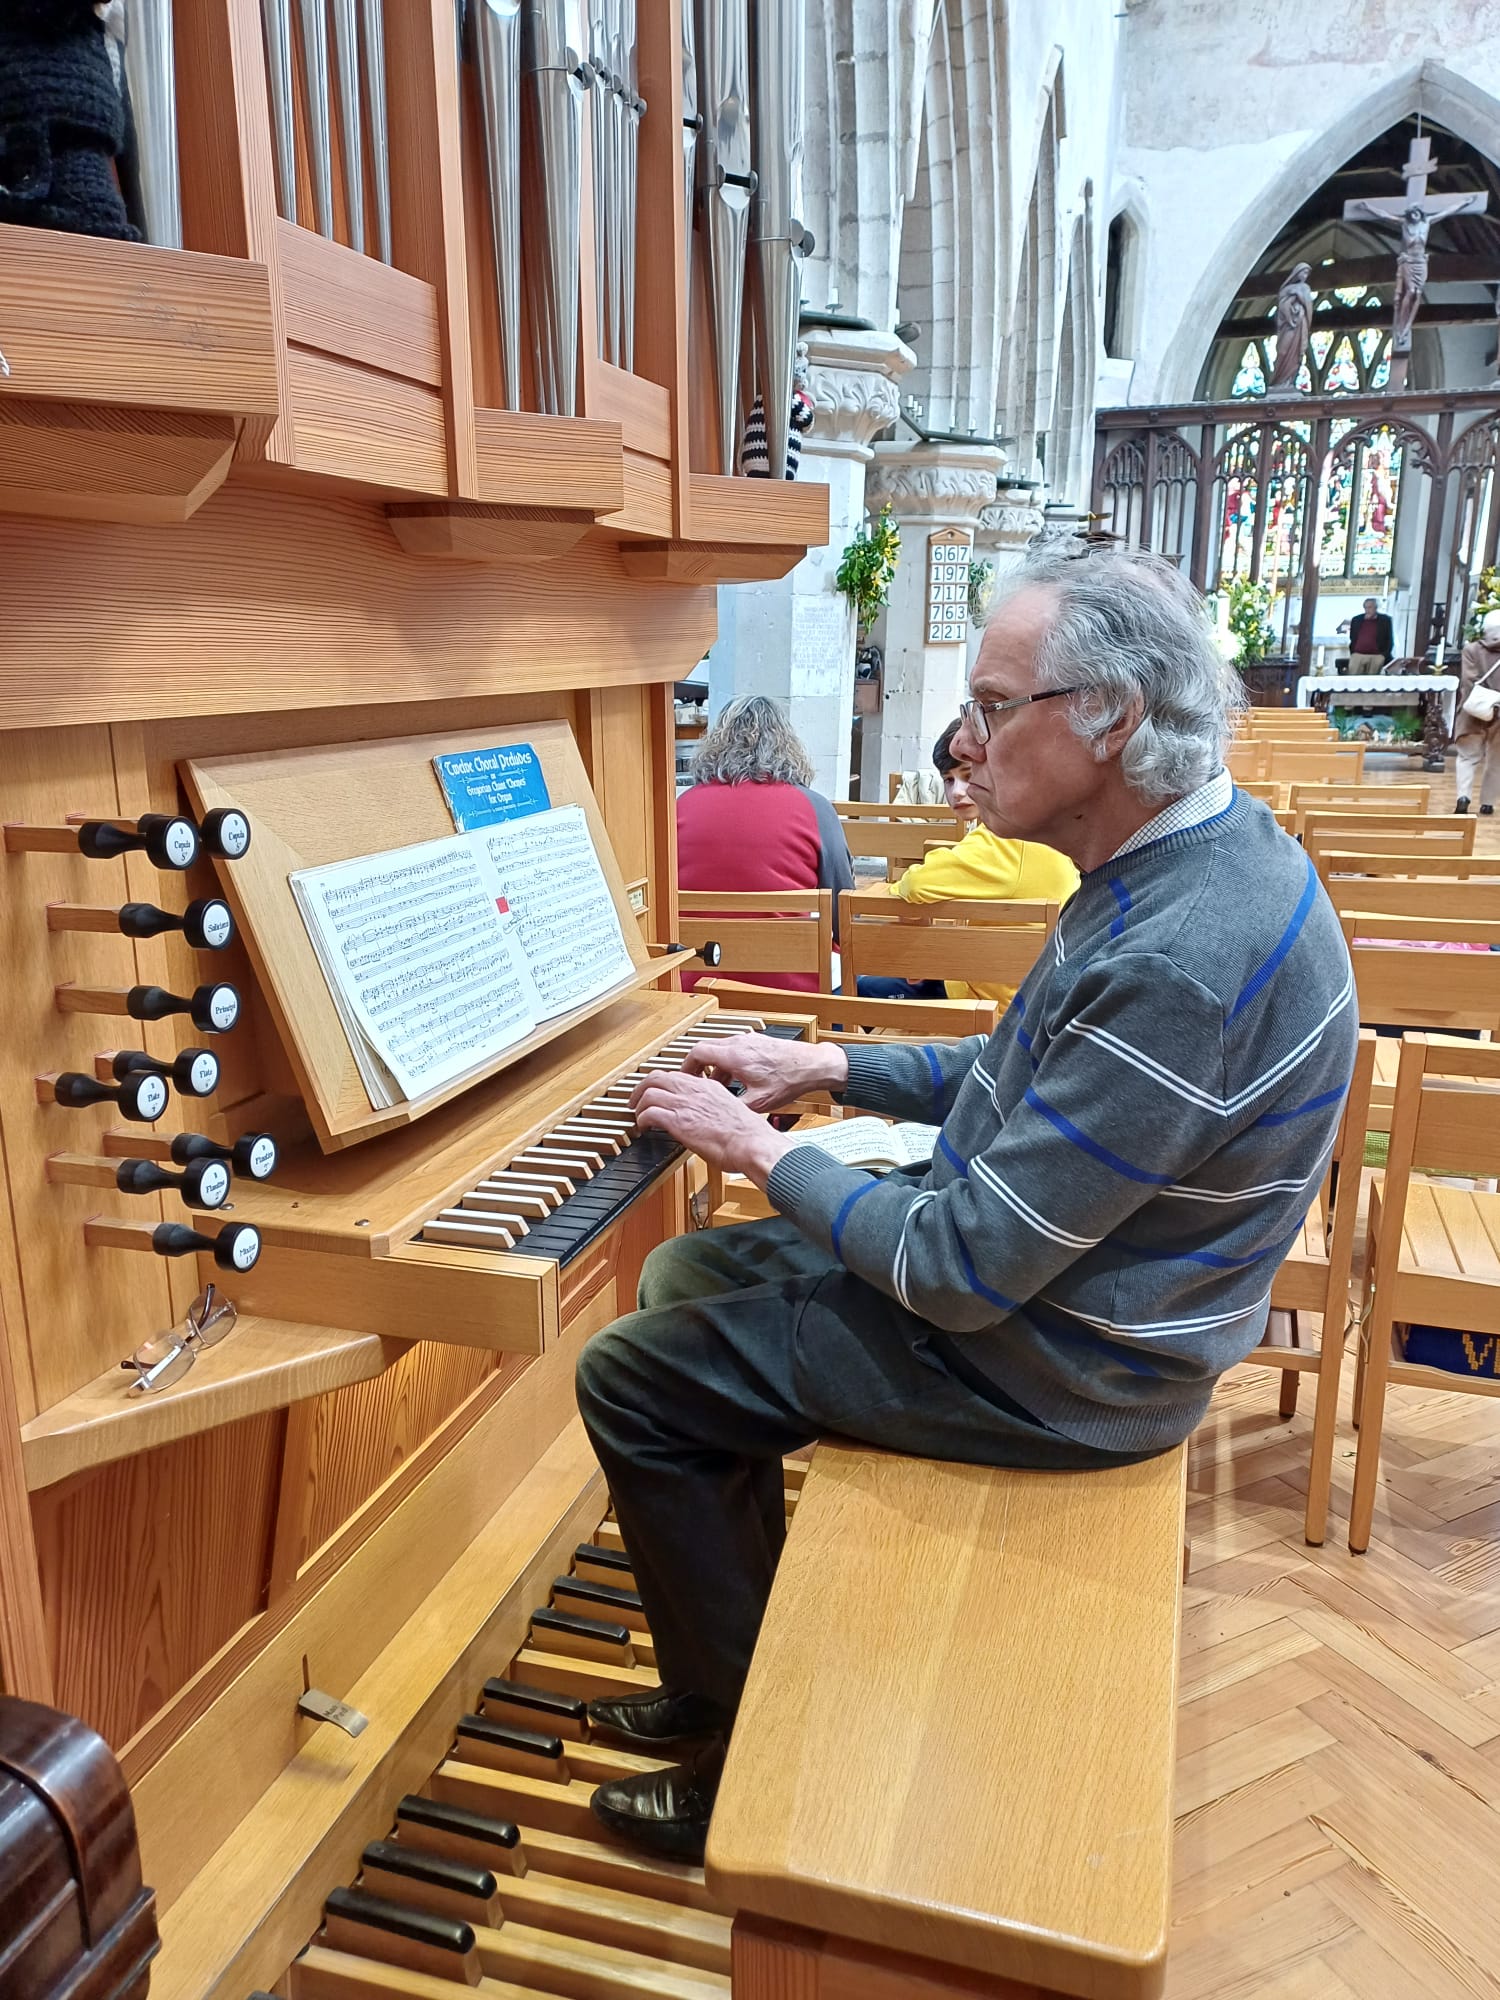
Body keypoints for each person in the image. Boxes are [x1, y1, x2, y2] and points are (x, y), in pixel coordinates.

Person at [576, 547, 1356, 1862]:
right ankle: (736, 1673)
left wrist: (761, 1153)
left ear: (1109, 720)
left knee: (632, 1379)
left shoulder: (1181, 948)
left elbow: (957, 1271)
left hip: (1072, 1368)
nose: (961, 741)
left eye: (995, 705)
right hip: (1083, 1305)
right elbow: (1029, 1070)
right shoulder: (1181, 860)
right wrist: (820, 1063)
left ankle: (742, 1763)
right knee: (685, 1288)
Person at [857, 717, 1080, 1004]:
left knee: (857, 988)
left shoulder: (1004, 839)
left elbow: (915, 883)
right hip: (1023, 991)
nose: (957, 792)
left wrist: (917, 917)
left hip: (993, 1005)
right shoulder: (1037, 825)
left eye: (968, 774)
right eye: (949, 780)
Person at [676, 694, 854, 991]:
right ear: (788, 744)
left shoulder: (682, 807)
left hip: (695, 988)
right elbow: (843, 919)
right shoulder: (815, 808)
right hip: (791, 995)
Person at [1454, 608, 1500, 815]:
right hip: (1499, 713)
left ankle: (1463, 797)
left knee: (1466, 757)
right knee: (1496, 760)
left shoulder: (1471, 650)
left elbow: (1468, 681)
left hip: (1473, 711)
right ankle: (1488, 803)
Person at [1340, 598, 1394, 673]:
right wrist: (1353, 652)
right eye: (1365, 607)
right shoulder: (1356, 620)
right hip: (1358, 655)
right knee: (1353, 677)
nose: (1367, 610)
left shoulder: (1385, 620)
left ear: (1376, 608)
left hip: (1377, 655)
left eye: (1370, 607)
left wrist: (1383, 655)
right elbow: (1352, 638)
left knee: (1371, 680)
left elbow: (1390, 640)